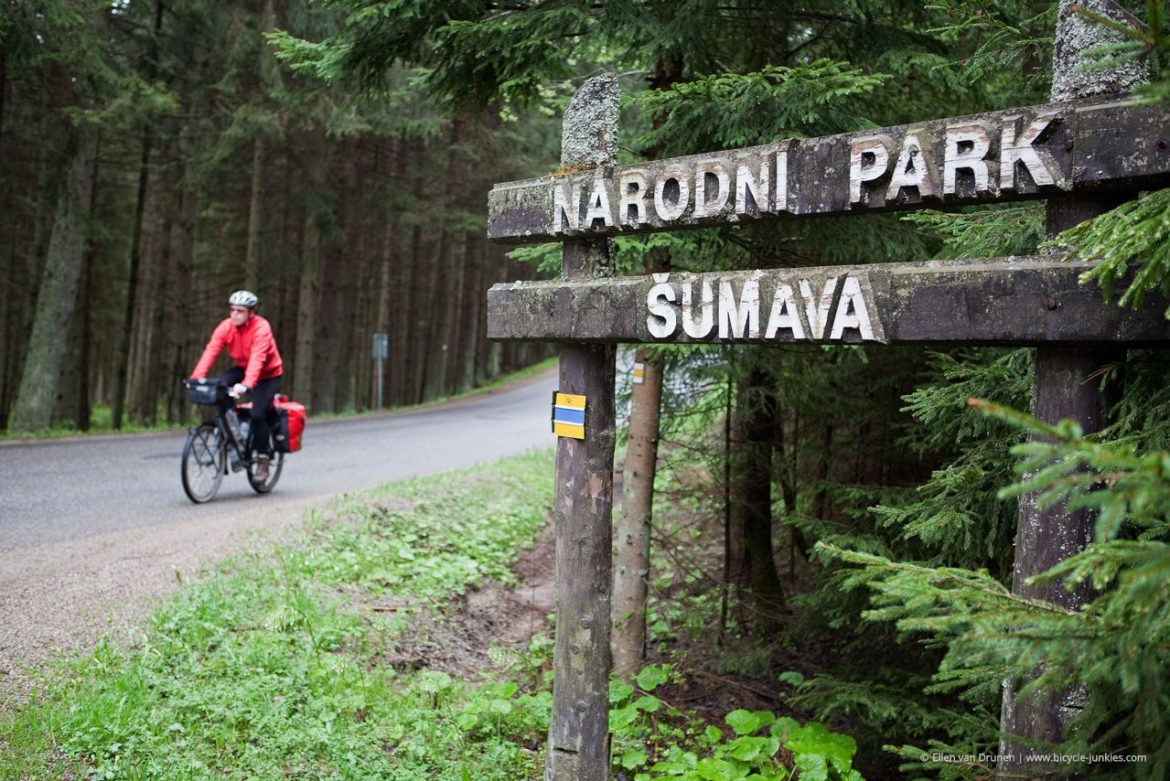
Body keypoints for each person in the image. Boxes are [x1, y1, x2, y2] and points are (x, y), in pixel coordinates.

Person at [190, 290, 284, 481]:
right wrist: (197, 377)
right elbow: (212, 349)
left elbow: (258, 357)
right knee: (220, 386)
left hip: (268, 375)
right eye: (232, 309)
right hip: (242, 368)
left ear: (251, 312)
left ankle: (263, 460)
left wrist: (247, 384)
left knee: (258, 413)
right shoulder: (227, 326)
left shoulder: (261, 327)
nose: (234, 314)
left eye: (240, 311)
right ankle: (234, 435)